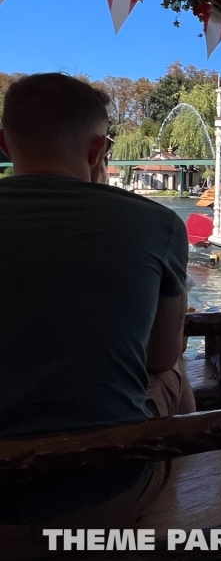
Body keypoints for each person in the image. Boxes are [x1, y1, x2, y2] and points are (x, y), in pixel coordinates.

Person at [0, 73, 193, 528]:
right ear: (97, 150)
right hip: (104, 492)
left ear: (4, 146)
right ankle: (192, 483)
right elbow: (161, 356)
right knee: (178, 365)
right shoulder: (157, 224)